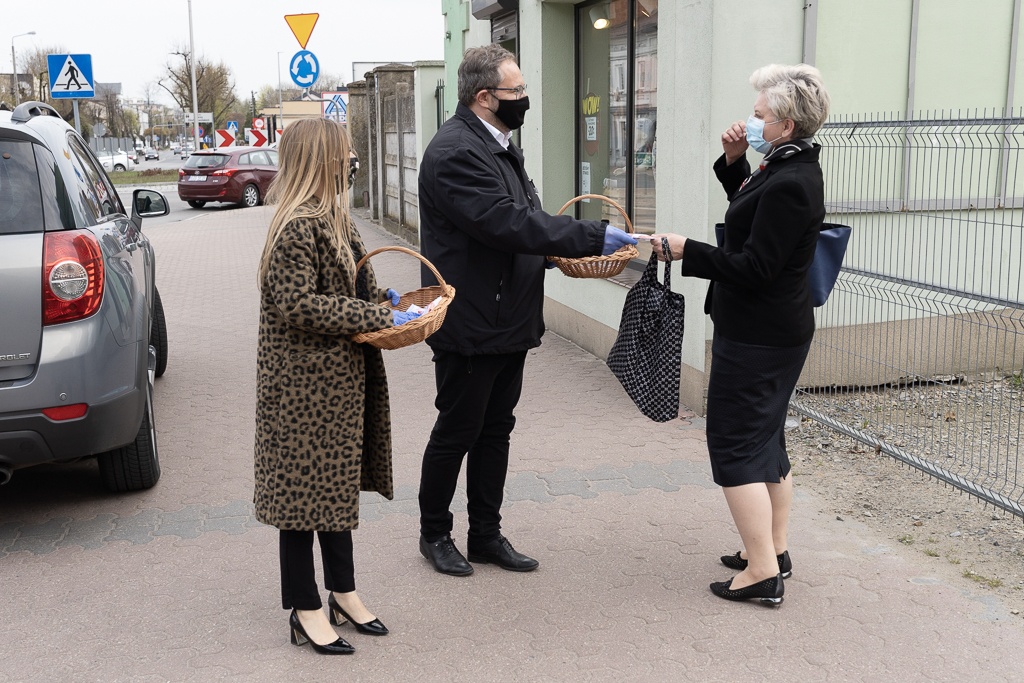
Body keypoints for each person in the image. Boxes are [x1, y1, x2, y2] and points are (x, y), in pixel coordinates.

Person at [416, 44, 637, 576]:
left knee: (496, 430)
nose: (525, 98)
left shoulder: (497, 144)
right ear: (484, 97)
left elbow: (525, 221)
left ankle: (485, 534)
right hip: (471, 319)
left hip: (508, 315)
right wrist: (591, 236)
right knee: (458, 429)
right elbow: (504, 223)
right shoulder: (456, 152)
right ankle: (435, 534)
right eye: (516, 91)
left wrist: (557, 254)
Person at [651, 63, 831, 606]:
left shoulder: (792, 181)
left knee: (734, 446)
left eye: (759, 116)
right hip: (771, 331)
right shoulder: (786, 165)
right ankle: (773, 550)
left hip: (760, 336)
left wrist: (688, 250)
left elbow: (757, 266)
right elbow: (751, 213)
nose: (750, 122)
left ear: (786, 125)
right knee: (766, 441)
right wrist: (734, 163)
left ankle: (762, 573)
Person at [254, 118, 420, 654]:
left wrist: (383, 299)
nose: (351, 161)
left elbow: (350, 288)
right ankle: (304, 608)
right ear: (321, 160)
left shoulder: (334, 220)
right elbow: (299, 303)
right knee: (300, 501)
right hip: (301, 391)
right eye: (345, 154)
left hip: (336, 386)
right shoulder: (297, 226)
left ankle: (343, 593)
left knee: (333, 490)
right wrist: (373, 314)